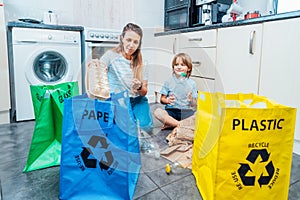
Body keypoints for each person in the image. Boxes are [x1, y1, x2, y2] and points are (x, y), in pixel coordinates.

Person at [87, 23, 153, 132]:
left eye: (135, 42)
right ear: (122, 38)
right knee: (126, 128)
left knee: (146, 127)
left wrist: (139, 86)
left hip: (136, 100)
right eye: (128, 40)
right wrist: (95, 64)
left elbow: (144, 92)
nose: (131, 45)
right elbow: (100, 69)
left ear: (139, 44)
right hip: (117, 100)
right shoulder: (110, 55)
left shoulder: (142, 63)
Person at [154, 53, 197, 130]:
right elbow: (162, 99)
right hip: (171, 112)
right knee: (158, 112)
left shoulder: (192, 83)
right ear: (173, 67)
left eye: (182, 65)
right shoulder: (168, 82)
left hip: (186, 112)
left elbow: (194, 104)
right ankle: (181, 125)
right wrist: (167, 100)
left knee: (198, 115)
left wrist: (191, 100)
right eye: (176, 64)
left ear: (189, 68)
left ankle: (172, 124)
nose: (179, 67)